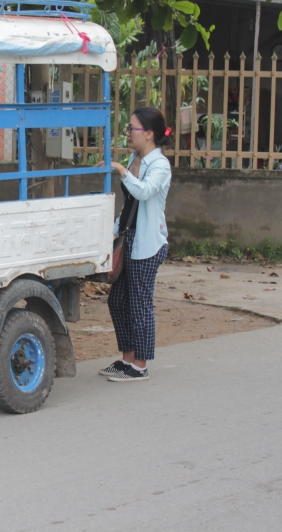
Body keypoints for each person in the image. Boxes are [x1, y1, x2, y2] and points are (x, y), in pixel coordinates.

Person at [100, 106, 173, 382]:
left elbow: (143, 192)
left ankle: (139, 366)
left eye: (132, 128)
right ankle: (126, 360)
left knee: (139, 304)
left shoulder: (160, 165)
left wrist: (120, 170)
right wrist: (112, 231)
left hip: (148, 243)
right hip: (130, 237)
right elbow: (130, 204)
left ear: (149, 134)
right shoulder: (135, 158)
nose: (128, 133)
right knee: (118, 300)